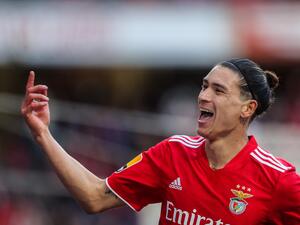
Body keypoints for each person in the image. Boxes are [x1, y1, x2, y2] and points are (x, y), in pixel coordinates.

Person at [21, 58, 300, 225]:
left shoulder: (277, 180)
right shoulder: (173, 153)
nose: (203, 96)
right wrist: (43, 134)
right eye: (204, 86)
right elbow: (94, 197)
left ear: (247, 108)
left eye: (218, 90)